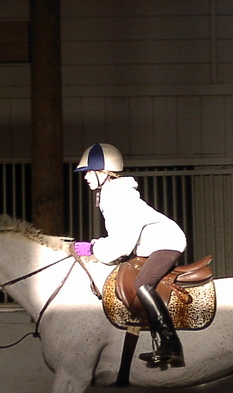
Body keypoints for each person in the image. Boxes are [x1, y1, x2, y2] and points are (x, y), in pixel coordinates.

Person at [75, 143, 186, 368]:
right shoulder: (111, 194)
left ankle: (171, 344)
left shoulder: (117, 196)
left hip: (166, 242)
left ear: (104, 172)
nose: (85, 177)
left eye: (89, 172)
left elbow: (121, 245)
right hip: (153, 245)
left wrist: (94, 248)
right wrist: (97, 245)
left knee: (142, 284)